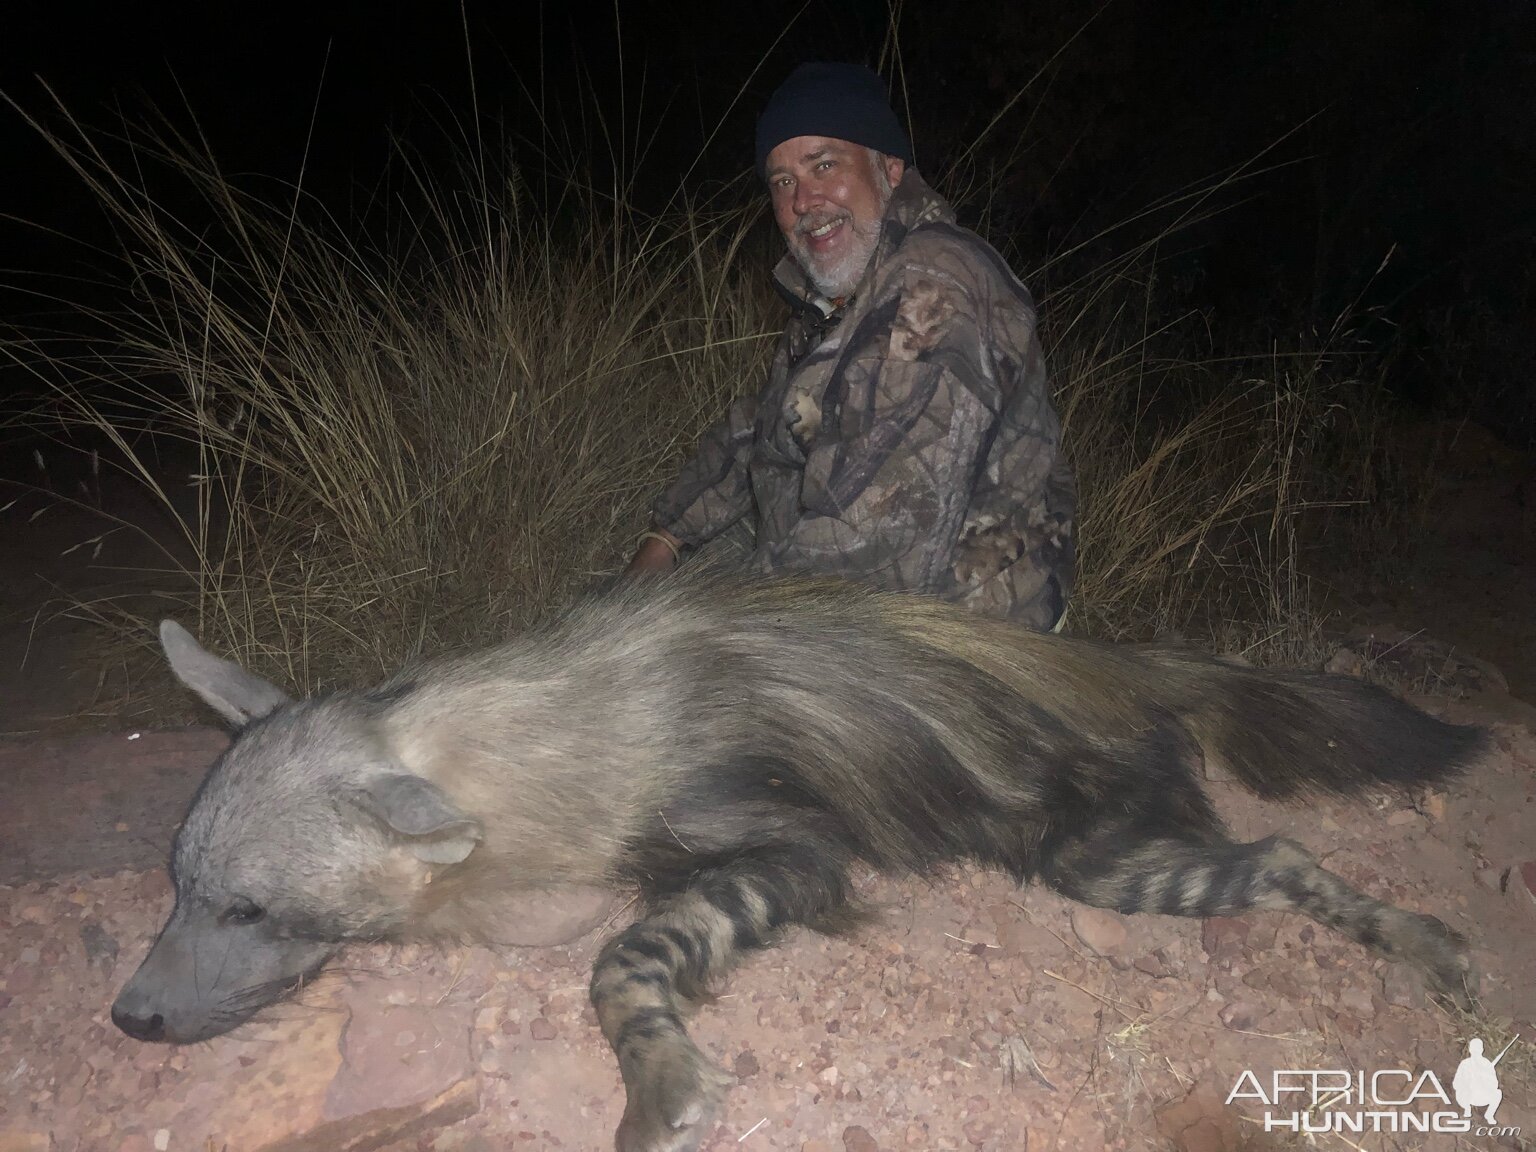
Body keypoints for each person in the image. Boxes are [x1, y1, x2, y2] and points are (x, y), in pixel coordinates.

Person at [627, 61, 1075, 631]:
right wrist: (666, 535)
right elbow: (758, 430)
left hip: (963, 642)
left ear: (889, 170)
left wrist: (719, 627)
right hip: (858, 603)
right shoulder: (835, 302)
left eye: (825, 165)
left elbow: (874, 549)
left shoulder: (936, 287)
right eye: (782, 181)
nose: (803, 200)